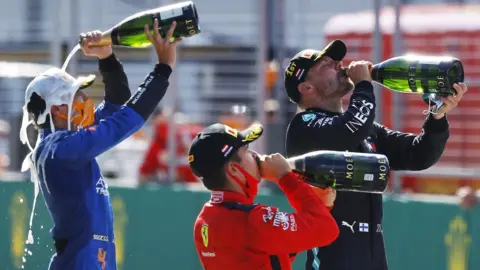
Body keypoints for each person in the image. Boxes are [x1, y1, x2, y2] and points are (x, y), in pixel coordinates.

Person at [283, 39, 468, 270]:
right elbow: (350, 127)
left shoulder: (364, 128)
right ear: (306, 88)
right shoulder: (305, 126)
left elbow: (419, 154)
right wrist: (363, 84)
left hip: (373, 259)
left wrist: (437, 116)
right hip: (333, 260)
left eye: (336, 60)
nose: (340, 65)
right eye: (326, 65)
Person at [19, 19, 180, 270]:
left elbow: (117, 105)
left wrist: (107, 58)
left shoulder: (63, 142)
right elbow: (124, 121)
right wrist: (162, 70)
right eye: (77, 95)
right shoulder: (59, 149)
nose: (85, 100)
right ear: (58, 109)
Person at [189, 122, 339, 270]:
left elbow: (275, 253)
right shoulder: (253, 219)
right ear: (234, 169)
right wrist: (284, 177)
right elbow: (327, 229)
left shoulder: (204, 220)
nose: (255, 155)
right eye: (247, 150)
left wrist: (321, 206)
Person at [138, 107, 204, 185]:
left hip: (193, 179)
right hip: (174, 181)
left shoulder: (183, 134)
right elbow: (143, 173)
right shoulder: (156, 146)